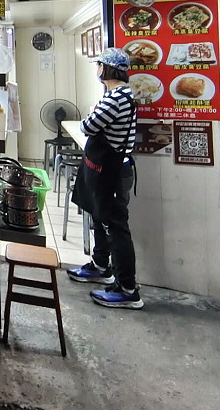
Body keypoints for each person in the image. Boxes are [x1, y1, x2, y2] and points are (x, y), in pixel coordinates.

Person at [67, 47, 142, 309]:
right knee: (100, 216)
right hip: (107, 168)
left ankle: (128, 288)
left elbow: (88, 126)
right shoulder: (120, 94)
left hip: (111, 172)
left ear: (107, 69)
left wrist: (90, 115)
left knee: (116, 226)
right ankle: (101, 265)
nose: (97, 69)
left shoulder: (115, 98)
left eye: (99, 65)